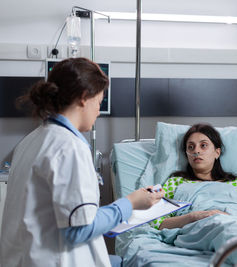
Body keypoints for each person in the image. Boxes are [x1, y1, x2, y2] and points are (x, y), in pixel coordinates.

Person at [0, 58, 164, 267]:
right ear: (84, 98)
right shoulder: (69, 147)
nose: (98, 111)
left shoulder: (32, 140)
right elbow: (79, 229)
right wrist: (130, 203)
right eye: (99, 102)